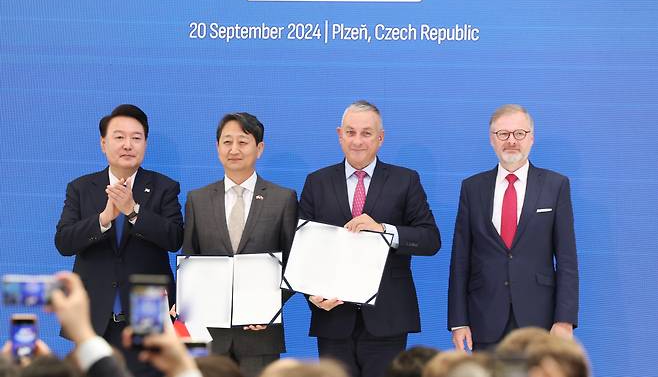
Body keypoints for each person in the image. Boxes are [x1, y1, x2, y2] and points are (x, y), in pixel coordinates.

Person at [299, 100, 441, 377]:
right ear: (340, 135)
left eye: (366, 133)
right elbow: (302, 247)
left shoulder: (405, 180)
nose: (358, 141)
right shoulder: (317, 182)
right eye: (350, 132)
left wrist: (384, 230)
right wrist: (310, 293)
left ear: (381, 138)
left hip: (387, 318)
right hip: (333, 318)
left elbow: (430, 239)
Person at [55, 104, 184, 375]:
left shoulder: (164, 187)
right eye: (119, 137)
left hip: (148, 318)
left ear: (145, 143)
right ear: (104, 143)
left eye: (136, 138)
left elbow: (175, 238)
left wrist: (134, 211)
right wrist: (103, 219)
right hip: (94, 318)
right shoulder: (81, 188)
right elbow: (64, 242)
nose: (128, 145)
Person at [448, 104, 578, 352]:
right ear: (491, 139)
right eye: (503, 134)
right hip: (484, 319)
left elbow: (567, 259)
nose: (511, 141)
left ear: (531, 138)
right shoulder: (472, 188)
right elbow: (460, 259)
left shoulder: (556, 185)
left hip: (540, 321)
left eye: (519, 133)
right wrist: (458, 321)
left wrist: (564, 319)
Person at [182, 112, 298, 377]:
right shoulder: (197, 200)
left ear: (259, 148)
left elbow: (294, 265)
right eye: (227, 142)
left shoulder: (282, 199)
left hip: (259, 334)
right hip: (207, 334)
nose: (234, 149)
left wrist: (269, 306)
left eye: (243, 142)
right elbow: (189, 259)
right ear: (217, 147)